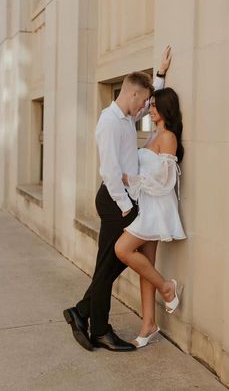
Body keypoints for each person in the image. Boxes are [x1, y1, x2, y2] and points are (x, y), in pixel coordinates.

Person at [63, 47, 172, 352]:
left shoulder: (127, 116)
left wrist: (160, 75)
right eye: (143, 101)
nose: (145, 108)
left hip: (124, 201)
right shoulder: (109, 123)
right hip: (115, 202)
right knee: (110, 265)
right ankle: (95, 325)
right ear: (131, 94)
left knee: (110, 266)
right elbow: (110, 173)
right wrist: (127, 209)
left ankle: (86, 316)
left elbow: (153, 102)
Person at [115, 87, 186, 348]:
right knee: (146, 264)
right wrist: (161, 75)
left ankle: (167, 288)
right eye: (150, 103)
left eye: (155, 105)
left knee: (122, 249)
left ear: (166, 108)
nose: (150, 108)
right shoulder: (155, 133)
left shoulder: (168, 137)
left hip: (157, 208)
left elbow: (165, 179)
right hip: (146, 204)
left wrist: (128, 179)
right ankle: (149, 325)